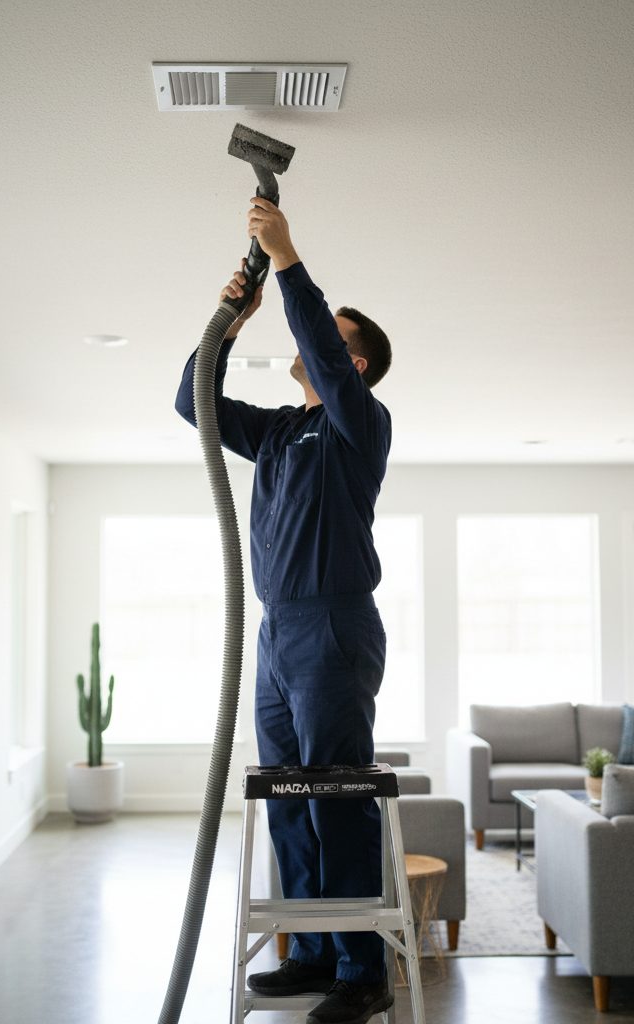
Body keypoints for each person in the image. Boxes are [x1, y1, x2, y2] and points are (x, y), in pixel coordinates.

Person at [175, 197, 393, 1024]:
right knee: (289, 796)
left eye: (333, 337)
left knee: (335, 793)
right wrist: (228, 326)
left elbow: (326, 363)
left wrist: (289, 256)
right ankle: (311, 953)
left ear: (355, 364)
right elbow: (192, 403)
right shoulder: (274, 432)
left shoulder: (359, 426)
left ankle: (361, 971)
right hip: (276, 633)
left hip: (333, 626)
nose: (314, 344)